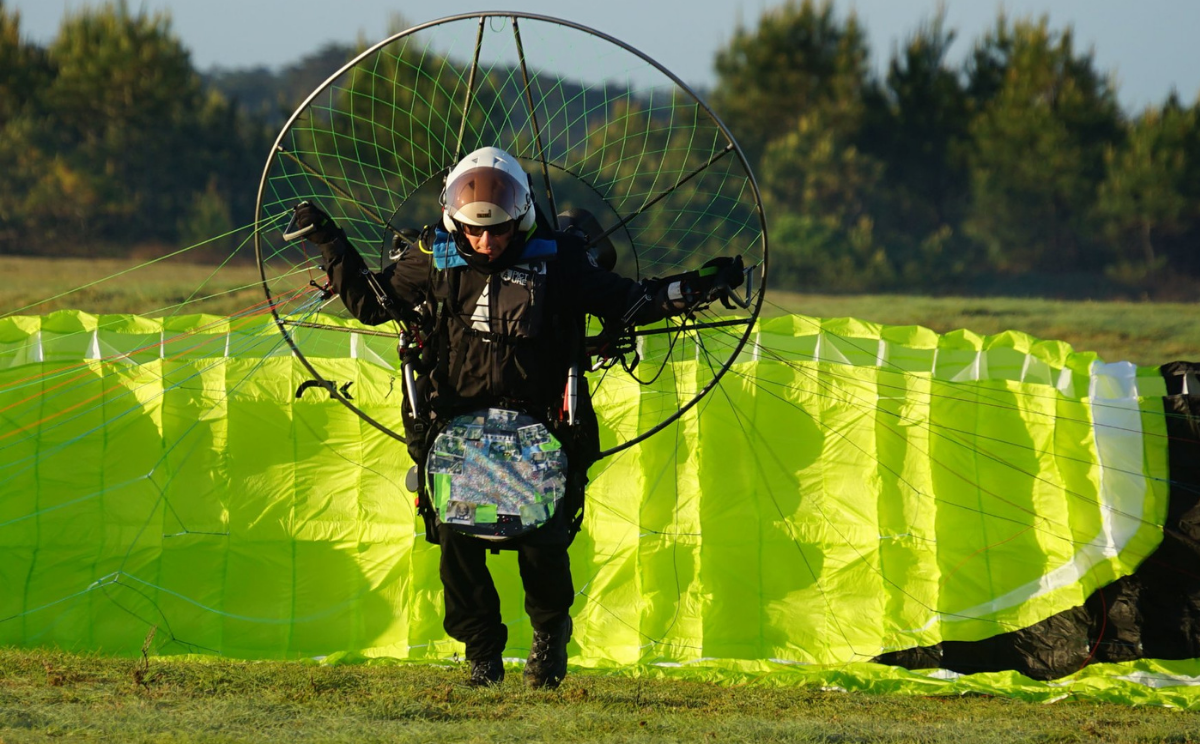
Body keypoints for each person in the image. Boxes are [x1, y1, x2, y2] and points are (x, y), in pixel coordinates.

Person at [293, 146, 743, 689]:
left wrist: (690, 288)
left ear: (521, 218)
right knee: (458, 539)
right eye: (475, 233)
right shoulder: (432, 256)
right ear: (453, 221)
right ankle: (482, 653)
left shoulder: (559, 259)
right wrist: (329, 242)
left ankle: (550, 637)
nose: (487, 242)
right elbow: (375, 303)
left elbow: (628, 300)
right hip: (455, 424)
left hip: (542, 427)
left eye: (499, 232)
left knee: (541, 543)